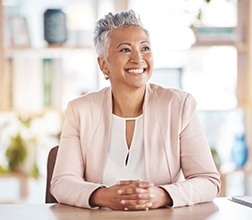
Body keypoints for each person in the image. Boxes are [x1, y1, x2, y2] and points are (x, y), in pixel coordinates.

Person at [50, 10, 221, 211]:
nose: (138, 58)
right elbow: (61, 183)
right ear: (103, 64)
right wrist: (102, 196)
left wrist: (163, 195)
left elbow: (208, 181)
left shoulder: (178, 105)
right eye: (125, 50)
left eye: (145, 48)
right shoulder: (80, 110)